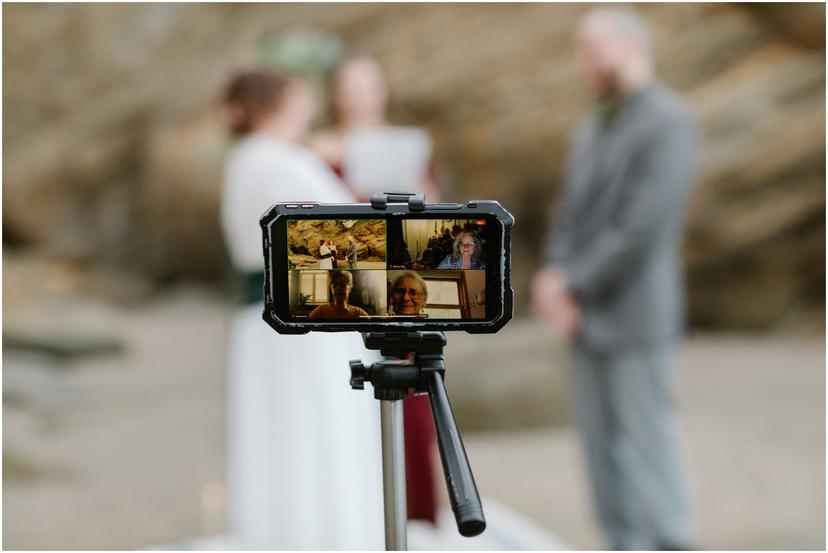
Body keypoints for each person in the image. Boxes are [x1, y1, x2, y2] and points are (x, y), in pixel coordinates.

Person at [531, 7, 697, 550]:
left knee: (648, 444)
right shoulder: (590, 125)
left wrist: (572, 283)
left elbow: (641, 226)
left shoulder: (670, 122)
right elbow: (570, 213)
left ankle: (670, 542)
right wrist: (553, 277)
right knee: (600, 452)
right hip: (582, 319)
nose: (583, 61)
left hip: (636, 314)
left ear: (630, 46)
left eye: (591, 48)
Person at [220, 69, 383, 549]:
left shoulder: (251, 158)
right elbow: (339, 239)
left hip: (269, 323)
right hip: (303, 323)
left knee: (283, 437)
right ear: (280, 103)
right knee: (315, 436)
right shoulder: (279, 162)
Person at [309, 54, 438, 201]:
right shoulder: (316, 151)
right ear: (335, 95)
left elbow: (431, 203)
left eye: (369, 90)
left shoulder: (410, 148)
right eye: (350, 91)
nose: (361, 100)